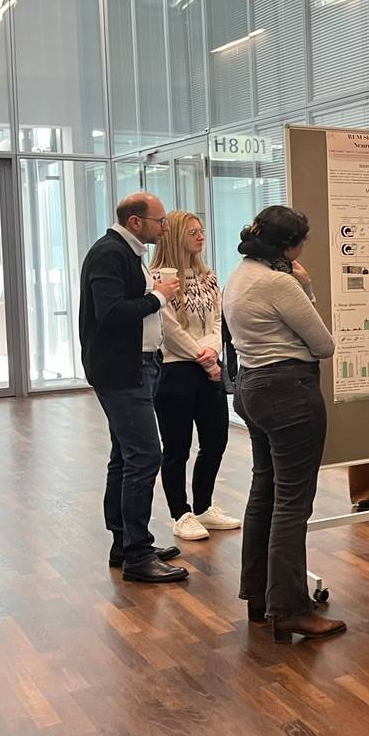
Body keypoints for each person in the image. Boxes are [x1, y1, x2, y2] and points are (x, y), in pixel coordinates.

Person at [222, 206, 343, 643]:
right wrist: (306, 287)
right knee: (293, 503)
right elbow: (324, 345)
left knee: (265, 492)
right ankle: (291, 609)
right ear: (290, 246)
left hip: (252, 388)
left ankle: (260, 597)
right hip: (289, 392)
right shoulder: (279, 284)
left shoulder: (239, 276)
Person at [79, 192, 188, 583]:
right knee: (144, 456)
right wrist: (158, 297)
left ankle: (125, 545)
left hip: (137, 366)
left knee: (126, 457)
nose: (165, 227)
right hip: (122, 370)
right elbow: (110, 313)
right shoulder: (110, 253)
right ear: (135, 222)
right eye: (161, 221)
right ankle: (138, 556)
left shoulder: (127, 252)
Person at [149, 211, 239, 541]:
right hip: (175, 370)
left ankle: (203, 506)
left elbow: (217, 320)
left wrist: (212, 351)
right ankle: (181, 513)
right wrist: (203, 357)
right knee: (177, 447)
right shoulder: (157, 278)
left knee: (216, 440)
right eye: (193, 233)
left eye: (201, 231)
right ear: (175, 236)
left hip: (208, 365)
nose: (201, 237)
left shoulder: (208, 276)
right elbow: (169, 328)